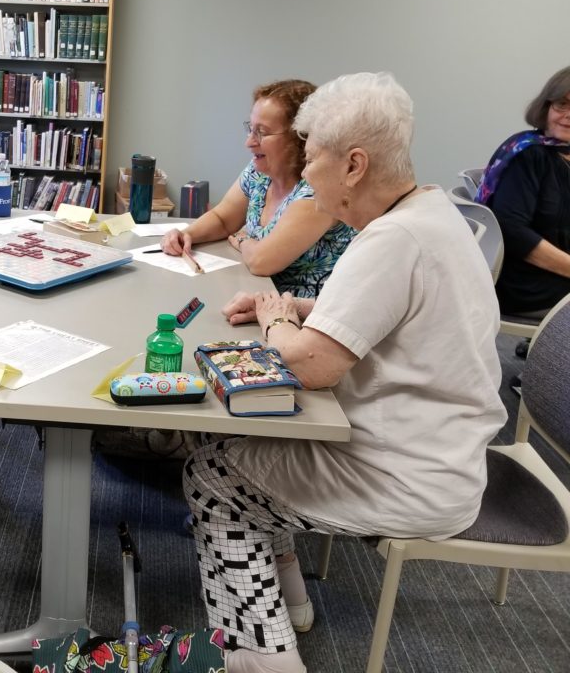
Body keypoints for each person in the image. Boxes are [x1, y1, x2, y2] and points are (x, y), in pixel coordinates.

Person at [184, 73, 506, 673]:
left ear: (354, 165)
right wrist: (298, 310)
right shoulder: (431, 212)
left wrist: (280, 322)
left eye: (315, 159)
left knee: (214, 478)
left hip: (409, 473)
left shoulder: (392, 240)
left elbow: (311, 365)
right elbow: (382, 318)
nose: (305, 174)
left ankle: (263, 661)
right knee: (250, 446)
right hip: (444, 448)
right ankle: (291, 604)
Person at [160, 80, 354, 297]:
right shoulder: (258, 173)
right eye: (250, 129)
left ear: (299, 138)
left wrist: (242, 239)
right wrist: (186, 235)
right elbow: (223, 219)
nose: (249, 142)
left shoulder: (318, 190)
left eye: (261, 132)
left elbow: (263, 261)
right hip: (258, 297)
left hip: (302, 315)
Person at [475, 66, 570, 316]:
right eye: (562, 104)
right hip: (527, 284)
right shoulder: (528, 153)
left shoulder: (565, 154)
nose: (568, 115)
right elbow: (513, 232)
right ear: (546, 107)